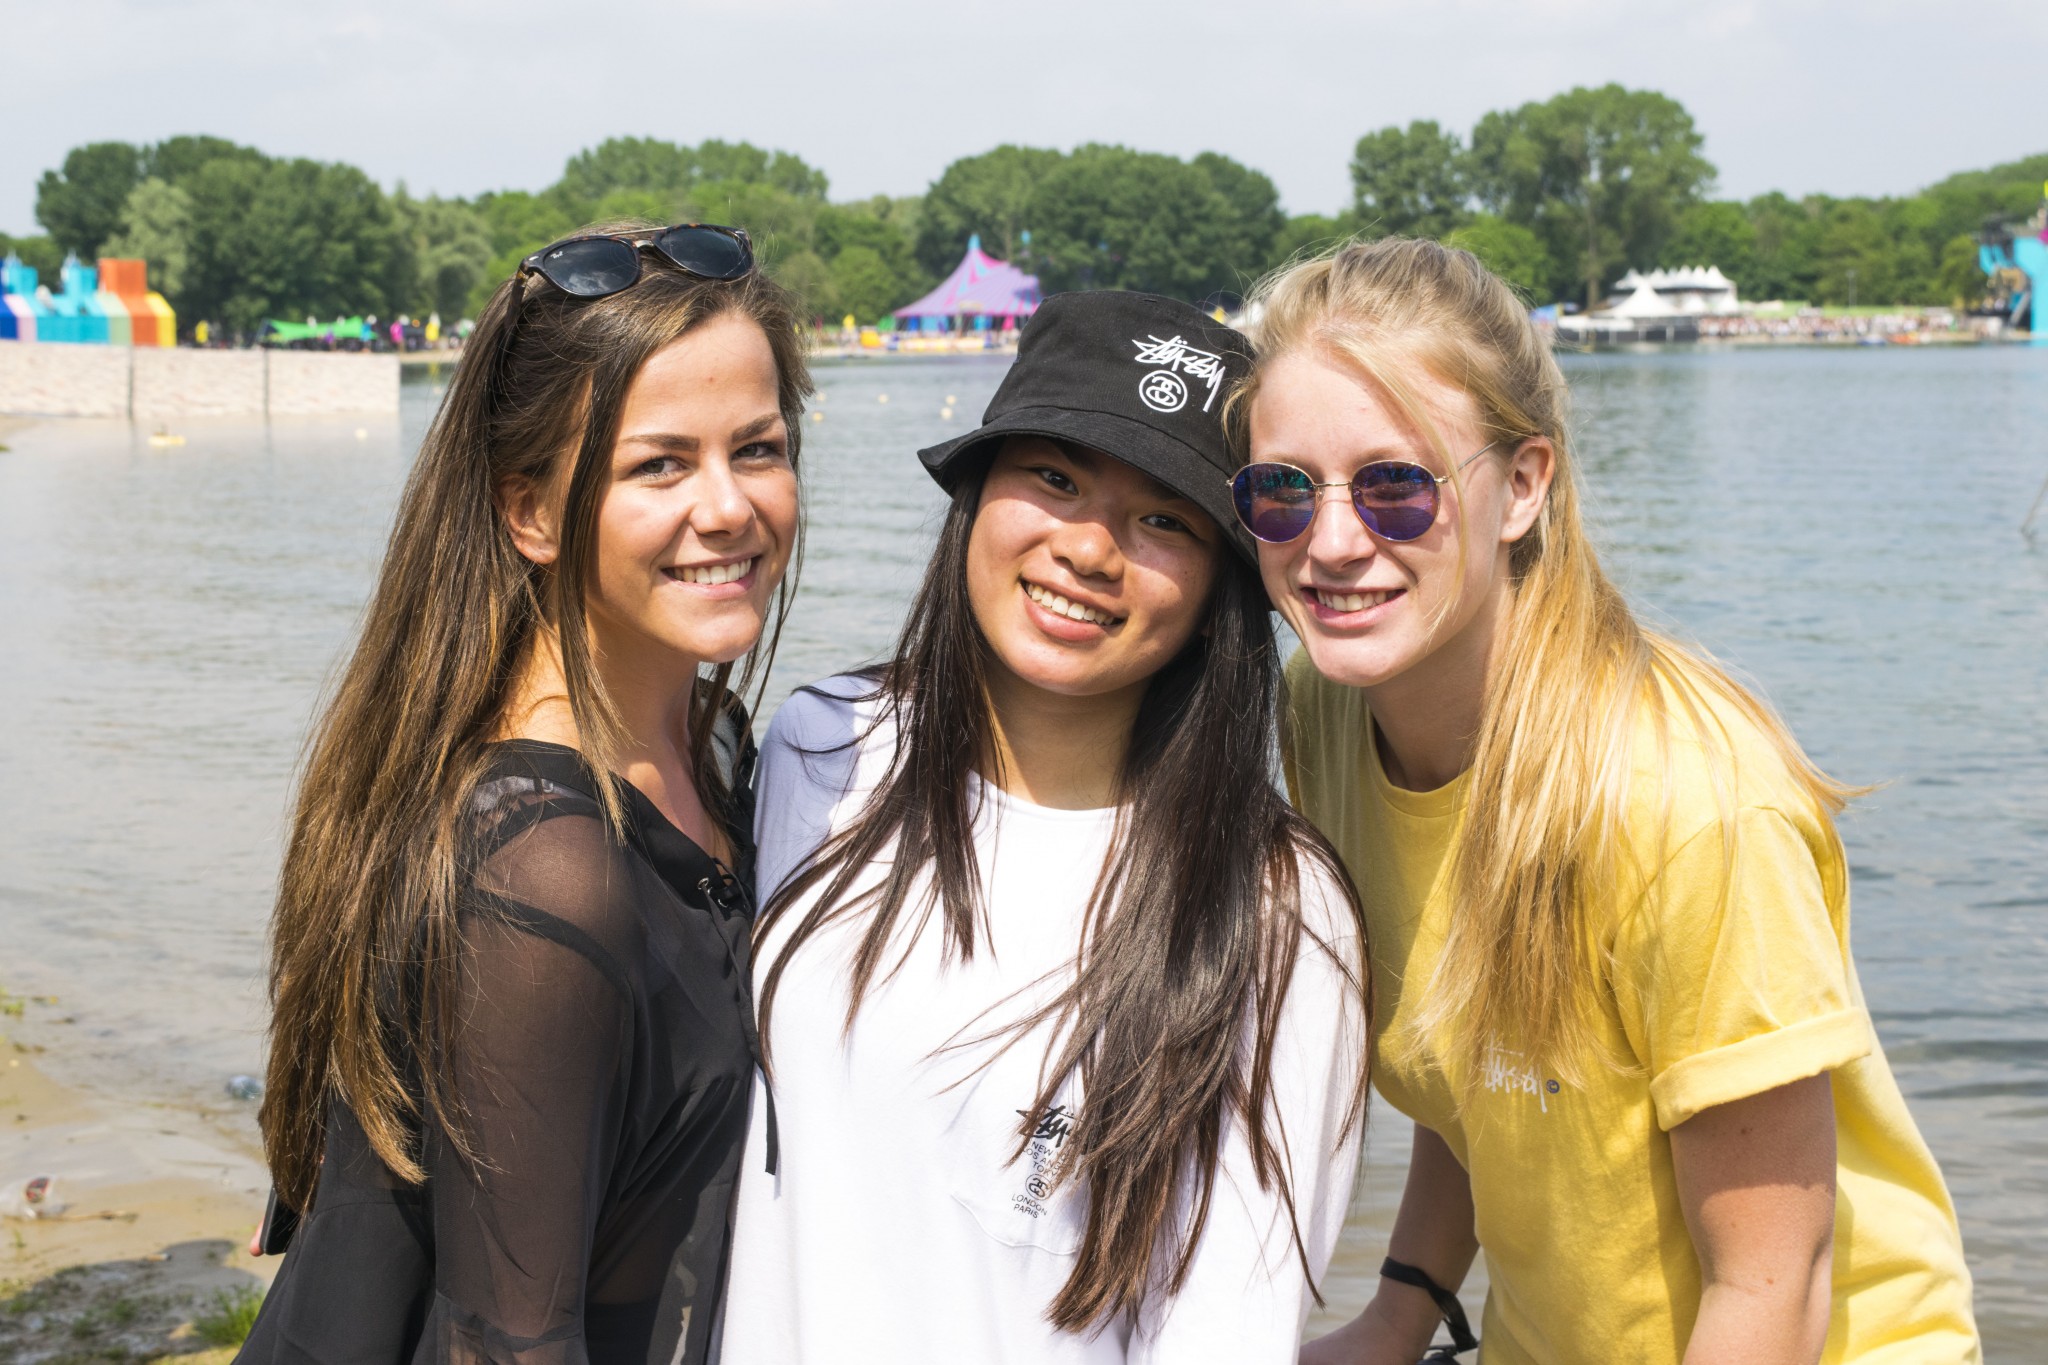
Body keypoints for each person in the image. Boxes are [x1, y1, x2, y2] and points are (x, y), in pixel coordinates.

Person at [1226, 238, 1980, 1364]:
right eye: (1284, 490)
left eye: (1396, 485)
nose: (1332, 542)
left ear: (1522, 486)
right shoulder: (1325, 711)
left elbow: (1773, 1281)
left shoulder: (1684, 803)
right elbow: (1482, 1082)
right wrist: (1395, 1318)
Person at [720, 292, 1370, 1363]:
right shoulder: (820, 748)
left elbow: (1229, 1332)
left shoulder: (1275, 910)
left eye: (1164, 520)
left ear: (1222, 580)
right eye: (1055, 479)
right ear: (975, 493)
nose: (1090, 549)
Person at [238, 221, 810, 1365]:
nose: (727, 507)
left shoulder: (709, 741)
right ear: (530, 513)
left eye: (756, 449)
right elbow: (507, 1342)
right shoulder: (543, 867)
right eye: (659, 465)